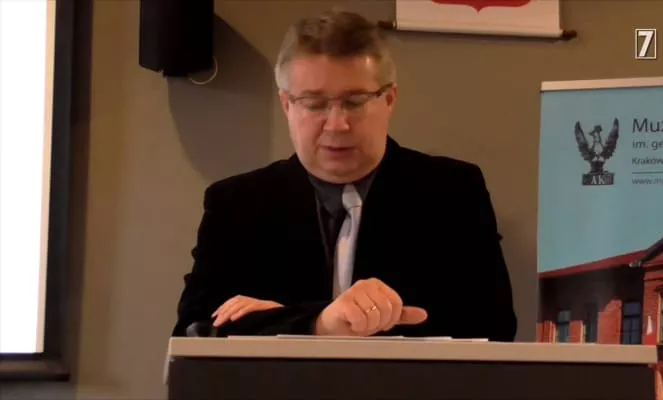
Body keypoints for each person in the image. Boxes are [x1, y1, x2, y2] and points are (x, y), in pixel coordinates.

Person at [171, 10, 517, 341]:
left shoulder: (452, 192)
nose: (337, 124)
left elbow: (494, 327)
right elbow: (195, 331)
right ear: (287, 105)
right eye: (314, 103)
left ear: (389, 99)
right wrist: (319, 323)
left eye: (355, 101)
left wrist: (281, 319)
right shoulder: (237, 203)